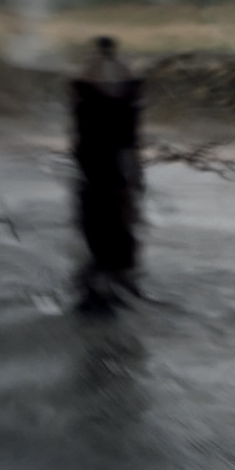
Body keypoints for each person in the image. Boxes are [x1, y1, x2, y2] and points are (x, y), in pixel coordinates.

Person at [71, 36, 145, 315]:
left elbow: (83, 106)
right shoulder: (122, 71)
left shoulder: (89, 72)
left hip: (97, 156)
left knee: (98, 204)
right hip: (114, 155)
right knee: (117, 203)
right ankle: (118, 265)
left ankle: (104, 263)